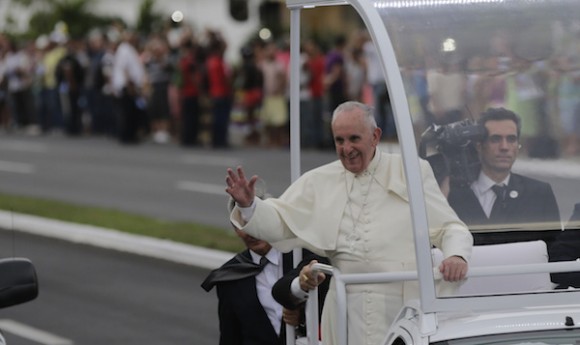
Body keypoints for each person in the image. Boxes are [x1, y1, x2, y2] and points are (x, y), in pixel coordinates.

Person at [225, 101, 472, 345]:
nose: (346, 148)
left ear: (375, 136)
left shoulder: (411, 171)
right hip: (346, 308)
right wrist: (249, 206)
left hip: (402, 306)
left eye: (354, 139)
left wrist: (456, 255)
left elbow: (451, 227)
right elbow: (280, 220)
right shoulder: (319, 181)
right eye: (339, 141)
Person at [447, 107, 561, 246]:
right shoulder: (452, 194)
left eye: (511, 139)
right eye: (495, 139)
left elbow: (555, 251)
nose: (504, 147)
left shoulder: (539, 193)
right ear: (479, 145)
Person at [201, 186, 294, 345]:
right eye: (244, 224)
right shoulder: (229, 276)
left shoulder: (301, 259)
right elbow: (230, 336)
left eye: (257, 222)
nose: (251, 231)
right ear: (235, 228)